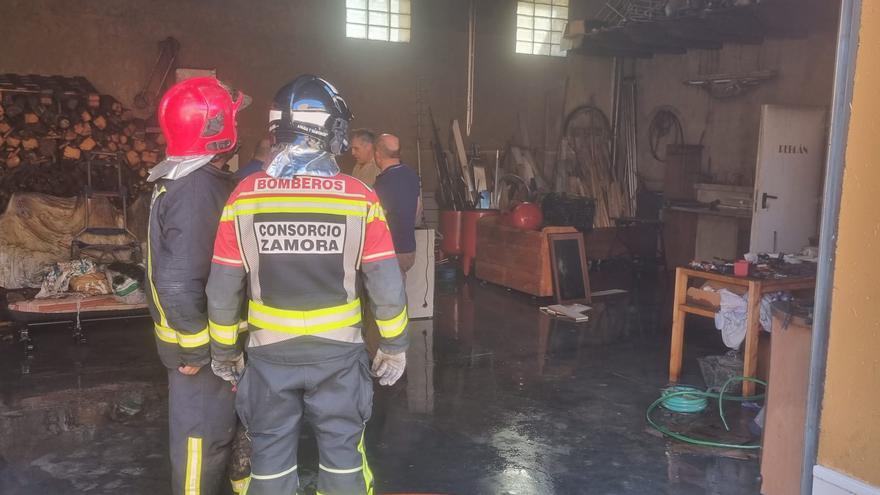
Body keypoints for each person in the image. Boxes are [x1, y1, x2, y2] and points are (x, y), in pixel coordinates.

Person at [206, 74, 409, 495]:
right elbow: (385, 281)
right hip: (338, 356)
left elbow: (223, 286)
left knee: (270, 462)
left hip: (268, 356)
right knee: (342, 458)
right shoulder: (359, 197)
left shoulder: (244, 197)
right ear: (330, 129)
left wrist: (224, 351)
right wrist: (394, 344)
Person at [144, 77, 250, 495]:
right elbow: (176, 279)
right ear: (217, 129)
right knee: (201, 441)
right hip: (200, 351)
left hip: (209, 343)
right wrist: (195, 347)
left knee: (228, 429)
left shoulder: (187, 178)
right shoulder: (196, 189)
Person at [372, 134, 421, 273]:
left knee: (387, 292)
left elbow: (377, 219)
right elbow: (418, 209)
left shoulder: (383, 182)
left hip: (389, 251)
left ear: (377, 155)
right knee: (398, 288)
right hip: (408, 249)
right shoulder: (411, 175)